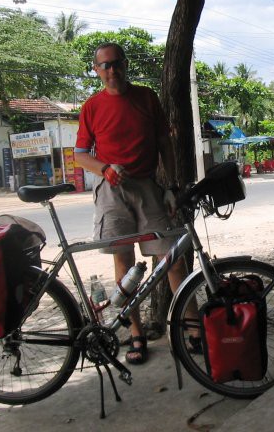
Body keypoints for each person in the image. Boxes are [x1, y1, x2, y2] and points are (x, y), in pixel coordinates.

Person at [74, 42, 189, 365]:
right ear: (96, 71)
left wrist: (171, 186)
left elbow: (165, 142)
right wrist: (105, 169)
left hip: (150, 187)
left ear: (126, 65)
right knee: (124, 267)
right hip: (111, 191)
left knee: (172, 259)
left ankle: (188, 327)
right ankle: (135, 334)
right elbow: (80, 155)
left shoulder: (146, 97)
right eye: (105, 66)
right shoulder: (91, 107)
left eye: (116, 63)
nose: (112, 70)